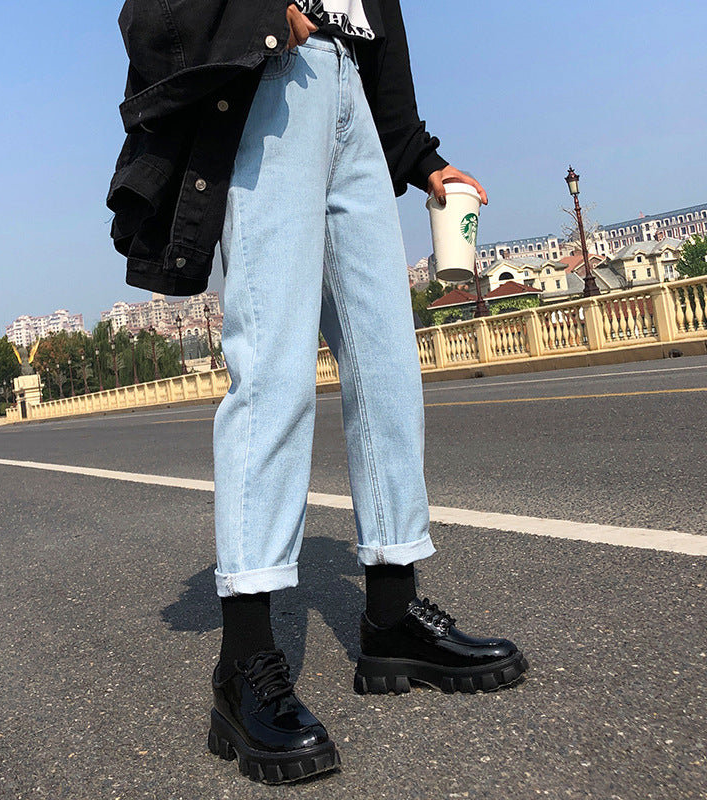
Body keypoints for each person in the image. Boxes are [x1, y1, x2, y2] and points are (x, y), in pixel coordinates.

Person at [108, 0, 528, 785]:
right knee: (273, 371)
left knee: (388, 363)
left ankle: (394, 615)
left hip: (352, 104)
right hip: (271, 91)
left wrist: (421, 158)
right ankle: (243, 666)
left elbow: (379, 22)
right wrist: (264, 13)